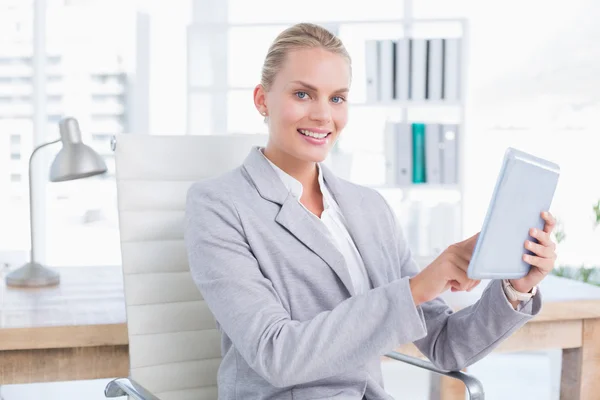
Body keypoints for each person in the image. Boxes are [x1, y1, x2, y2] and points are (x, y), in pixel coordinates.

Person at [184, 22, 557, 400]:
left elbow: (447, 346)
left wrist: (516, 286)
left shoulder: (368, 208)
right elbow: (276, 354)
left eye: (337, 98)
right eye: (302, 94)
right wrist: (413, 291)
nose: (323, 115)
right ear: (262, 99)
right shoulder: (218, 206)